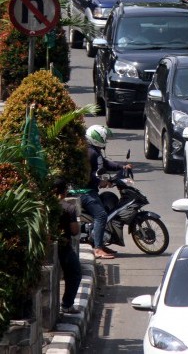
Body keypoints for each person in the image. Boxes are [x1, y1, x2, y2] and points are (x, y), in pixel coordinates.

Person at [82, 125, 131, 259]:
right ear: (96, 138)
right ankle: (97, 249)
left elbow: (105, 164)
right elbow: (87, 174)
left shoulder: (95, 152)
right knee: (102, 215)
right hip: (85, 192)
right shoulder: (89, 153)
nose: (105, 140)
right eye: (103, 137)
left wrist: (122, 167)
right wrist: (100, 182)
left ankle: (100, 243)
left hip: (91, 190)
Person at [54, 177, 82, 314]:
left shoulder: (42, 206)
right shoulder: (69, 208)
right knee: (75, 273)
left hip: (48, 247)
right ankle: (67, 304)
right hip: (63, 246)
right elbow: (74, 231)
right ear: (64, 192)